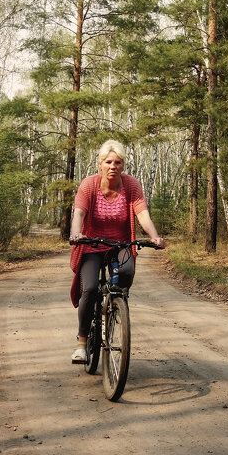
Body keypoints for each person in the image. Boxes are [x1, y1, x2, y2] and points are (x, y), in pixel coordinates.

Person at [68, 139, 165, 363]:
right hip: (91, 243)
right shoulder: (89, 185)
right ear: (101, 164)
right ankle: (82, 343)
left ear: (123, 165)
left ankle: (115, 307)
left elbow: (142, 214)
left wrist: (154, 236)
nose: (113, 166)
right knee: (90, 288)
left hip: (121, 244)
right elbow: (79, 214)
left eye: (118, 162)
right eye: (109, 162)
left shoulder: (131, 185)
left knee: (126, 271)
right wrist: (76, 233)